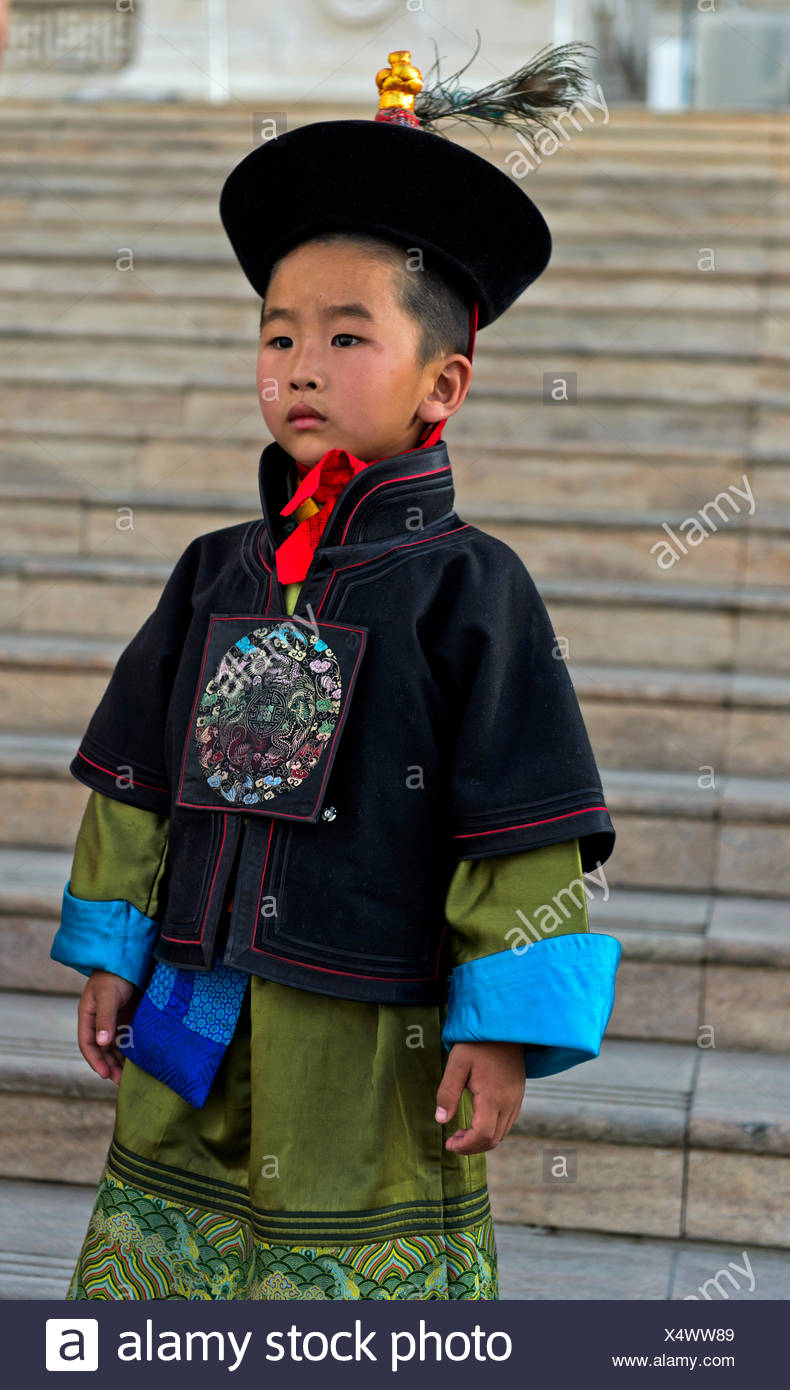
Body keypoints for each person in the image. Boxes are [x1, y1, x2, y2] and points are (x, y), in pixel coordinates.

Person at [51, 41, 622, 1301]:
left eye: (346, 335)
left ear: (442, 385)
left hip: (372, 1030)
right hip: (195, 998)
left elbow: (521, 826)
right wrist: (112, 945)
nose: (298, 364)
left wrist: (504, 1028)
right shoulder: (214, 572)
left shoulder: (473, 589)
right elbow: (137, 780)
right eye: (278, 333)